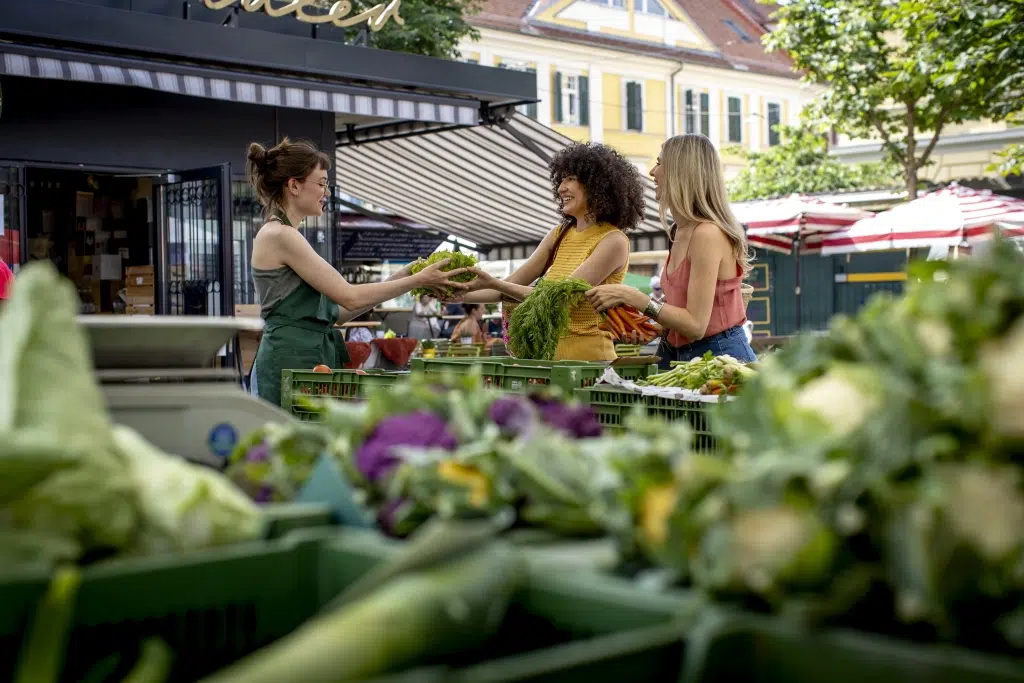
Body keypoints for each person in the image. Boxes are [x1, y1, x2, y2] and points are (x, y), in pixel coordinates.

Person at [246, 137, 468, 406]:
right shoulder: (280, 235)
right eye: (321, 183)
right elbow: (350, 297)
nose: (326, 192)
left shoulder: (287, 234)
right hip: (288, 361)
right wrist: (418, 279)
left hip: (306, 358)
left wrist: (408, 274)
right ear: (293, 185)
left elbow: (339, 313)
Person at [457, 142, 645, 361]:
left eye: (570, 178)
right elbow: (506, 289)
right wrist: (454, 292)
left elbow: (555, 299)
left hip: (588, 364)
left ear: (597, 185)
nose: (561, 188)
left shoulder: (613, 241)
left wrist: (494, 283)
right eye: (561, 179)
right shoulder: (559, 234)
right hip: (547, 361)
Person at [585, 134, 757, 368]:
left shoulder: (707, 234)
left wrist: (632, 297)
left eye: (659, 163)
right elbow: (682, 306)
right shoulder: (680, 231)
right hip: (673, 353)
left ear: (681, 172)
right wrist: (654, 327)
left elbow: (696, 326)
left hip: (718, 357)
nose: (652, 172)